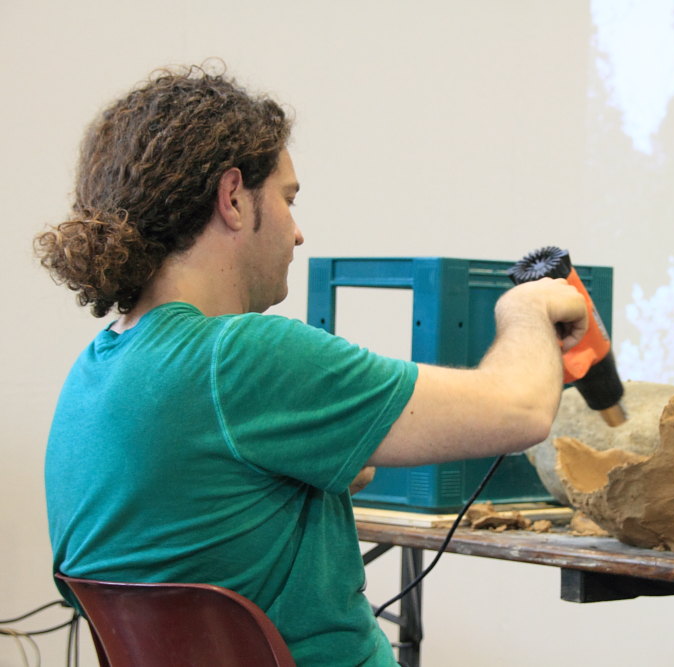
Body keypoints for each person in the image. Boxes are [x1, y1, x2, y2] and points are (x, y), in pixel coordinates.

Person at [35, 64, 587, 667]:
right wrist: (526, 310)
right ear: (233, 198)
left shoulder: (92, 378)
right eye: (288, 199)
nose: (298, 234)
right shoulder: (242, 357)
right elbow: (520, 409)